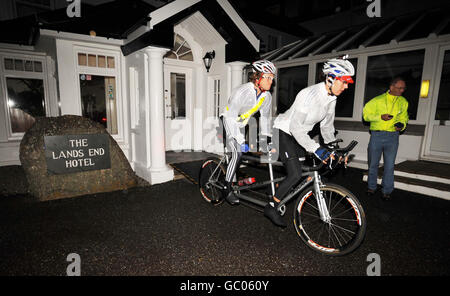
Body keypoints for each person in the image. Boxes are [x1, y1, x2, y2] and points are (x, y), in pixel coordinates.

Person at [265, 56, 355, 227]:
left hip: (300, 136)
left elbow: (327, 127)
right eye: (344, 81)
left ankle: (276, 190)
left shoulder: (331, 99)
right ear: (331, 78)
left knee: (304, 171)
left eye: (348, 82)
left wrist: (334, 148)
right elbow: (295, 128)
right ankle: (272, 206)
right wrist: (317, 149)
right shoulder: (309, 95)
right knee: (295, 173)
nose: (347, 86)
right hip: (283, 131)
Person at [220, 60, 276, 205]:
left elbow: (264, 118)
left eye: (272, 78)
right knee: (238, 152)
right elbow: (231, 117)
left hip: (241, 123)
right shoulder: (242, 91)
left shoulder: (266, 96)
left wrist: (267, 139)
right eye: (268, 77)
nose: (271, 81)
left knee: (253, 151)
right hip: (228, 120)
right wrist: (240, 139)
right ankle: (226, 188)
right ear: (257, 78)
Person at [363, 77, 409, 200]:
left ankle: (387, 190)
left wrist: (401, 125)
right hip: (377, 136)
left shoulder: (403, 102)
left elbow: (404, 118)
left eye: (403, 88)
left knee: (389, 165)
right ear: (391, 87)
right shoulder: (377, 100)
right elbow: (366, 115)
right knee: (373, 164)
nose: (402, 90)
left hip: (393, 137)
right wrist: (380, 117)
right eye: (399, 88)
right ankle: (371, 187)